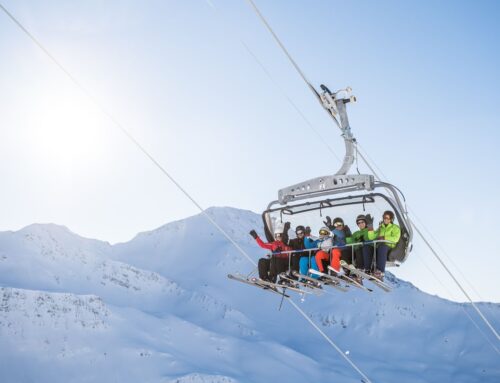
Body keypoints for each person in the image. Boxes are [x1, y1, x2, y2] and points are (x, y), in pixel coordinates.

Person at [362, 210, 401, 281]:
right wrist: (370, 227)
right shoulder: (381, 227)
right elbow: (372, 237)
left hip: (389, 247)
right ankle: (367, 269)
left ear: (391, 219)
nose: (385, 219)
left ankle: (380, 272)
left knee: (382, 246)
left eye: (387, 218)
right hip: (379, 246)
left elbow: (396, 238)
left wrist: (384, 238)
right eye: (384, 217)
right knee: (367, 247)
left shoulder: (395, 227)